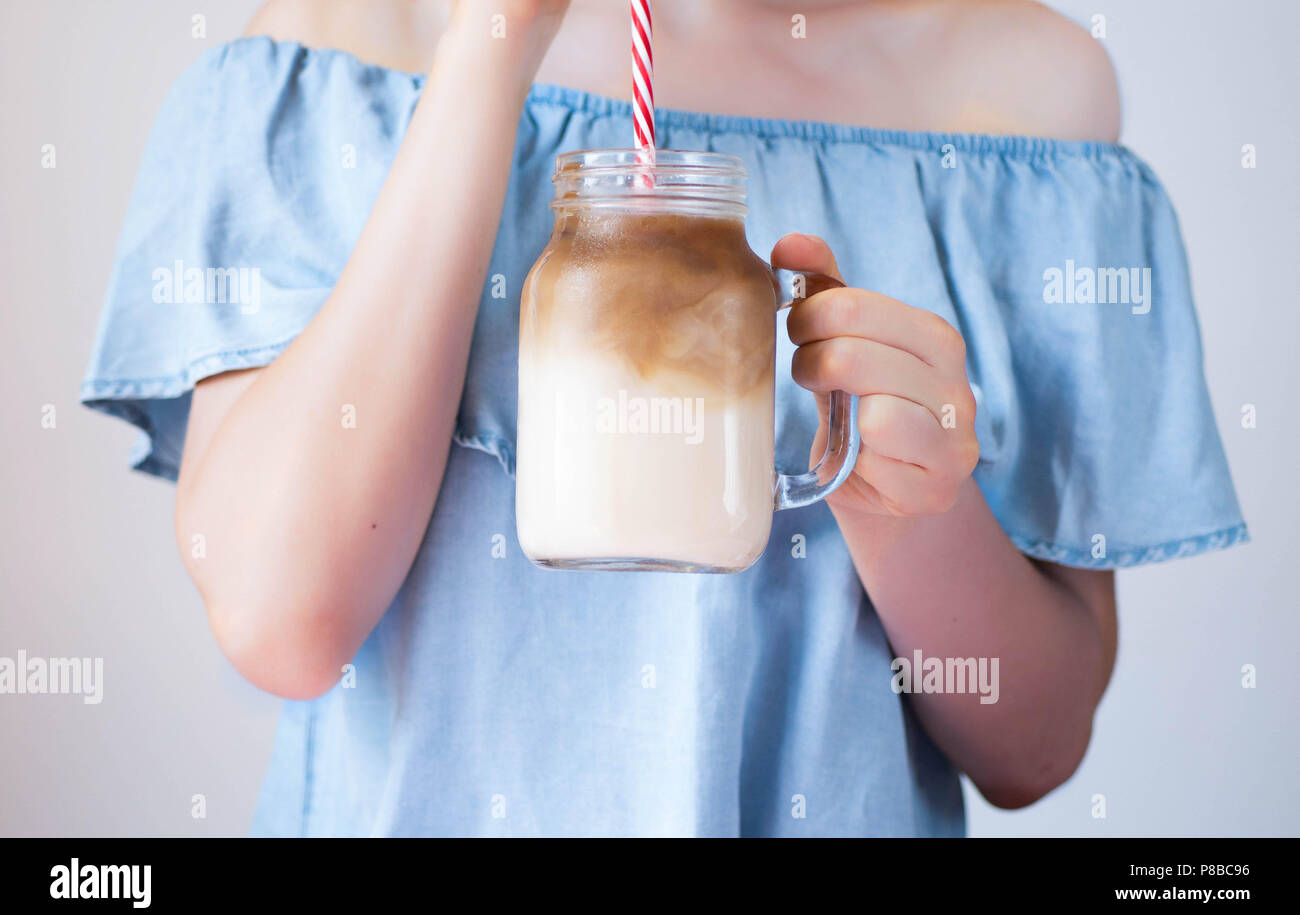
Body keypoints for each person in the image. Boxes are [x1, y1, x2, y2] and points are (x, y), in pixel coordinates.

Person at [81, 0, 1246, 836]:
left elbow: (1034, 749)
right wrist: (493, 44)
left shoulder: (1027, 93)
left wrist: (900, 499)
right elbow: (285, 617)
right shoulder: (324, 49)